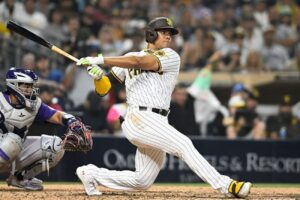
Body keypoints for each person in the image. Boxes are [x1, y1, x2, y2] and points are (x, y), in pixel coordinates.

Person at [75, 17, 252, 198]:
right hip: (140, 117)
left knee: (142, 181)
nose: (168, 36)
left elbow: (141, 62)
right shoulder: (128, 58)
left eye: (170, 33)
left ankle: (91, 174)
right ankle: (226, 185)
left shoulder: (170, 56)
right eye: (164, 32)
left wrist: (100, 59)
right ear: (150, 34)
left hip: (157, 120)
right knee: (183, 144)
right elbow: (104, 90)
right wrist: (98, 78)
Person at [0, 67, 86, 191]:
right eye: (26, 86)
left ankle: (20, 178)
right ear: (13, 85)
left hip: (15, 152)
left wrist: (72, 121)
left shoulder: (35, 105)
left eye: (31, 86)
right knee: (13, 140)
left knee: (56, 146)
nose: (30, 89)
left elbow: (57, 115)